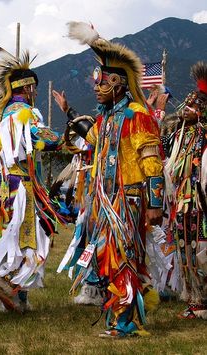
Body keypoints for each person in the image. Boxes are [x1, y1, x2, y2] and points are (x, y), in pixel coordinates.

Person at [52, 22, 164, 337]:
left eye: (101, 82)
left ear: (116, 83)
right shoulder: (109, 117)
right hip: (106, 201)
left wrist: (155, 203)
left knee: (125, 258)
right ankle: (121, 318)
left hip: (127, 200)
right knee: (109, 257)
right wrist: (69, 112)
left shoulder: (136, 114)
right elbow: (94, 137)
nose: (96, 87)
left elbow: (151, 160)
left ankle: (126, 322)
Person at [0, 42, 65, 313]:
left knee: (8, 236)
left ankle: (14, 299)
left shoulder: (0, 116)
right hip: (21, 185)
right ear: (28, 88)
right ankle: (9, 283)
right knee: (30, 237)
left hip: (0, 187)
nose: (34, 93)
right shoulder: (25, 114)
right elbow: (43, 138)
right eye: (32, 88)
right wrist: (66, 137)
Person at [164, 61, 207, 319]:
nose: (186, 109)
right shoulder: (180, 135)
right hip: (183, 202)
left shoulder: (203, 135)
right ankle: (195, 299)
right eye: (186, 104)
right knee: (186, 249)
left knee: (202, 247)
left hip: (200, 204)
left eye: (194, 105)